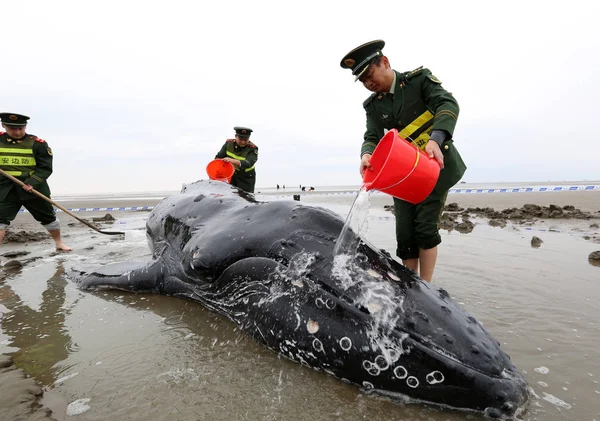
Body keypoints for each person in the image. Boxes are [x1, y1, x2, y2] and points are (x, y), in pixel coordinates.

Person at [340, 40, 466, 282]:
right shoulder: (374, 106)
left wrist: (436, 139)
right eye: (363, 80)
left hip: (433, 166)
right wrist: (366, 154)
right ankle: (411, 285)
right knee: (405, 234)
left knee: (425, 229)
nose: (368, 83)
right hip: (402, 174)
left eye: (370, 74)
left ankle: (427, 288)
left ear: (385, 62)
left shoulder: (418, 81)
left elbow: (447, 104)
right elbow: (372, 136)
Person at [0, 113, 71, 252]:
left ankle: (59, 243)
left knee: (48, 218)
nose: (17, 132)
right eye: (13, 128)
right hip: (5, 189)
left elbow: (45, 168)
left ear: (25, 126)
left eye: (21, 128)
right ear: (4, 126)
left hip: (33, 188)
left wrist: (32, 182)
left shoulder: (38, 144)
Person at [215, 126, 258, 193]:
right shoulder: (228, 144)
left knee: (246, 198)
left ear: (249, 138)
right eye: (241, 139)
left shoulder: (252, 149)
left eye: (246, 140)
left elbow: (248, 163)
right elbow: (218, 158)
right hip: (231, 176)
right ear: (236, 136)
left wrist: (232, 161)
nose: (243, 142)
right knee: (230, 196)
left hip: (246, 178)